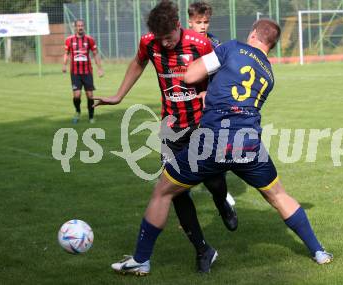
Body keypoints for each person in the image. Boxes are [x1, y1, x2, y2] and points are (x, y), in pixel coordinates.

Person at [109, 18, 333, 276]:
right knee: (278, 195)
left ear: (252, 33)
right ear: (271, 44)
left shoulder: (232, 48)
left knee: (163, 191)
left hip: (214, 140)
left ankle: (141, 260)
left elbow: (191, 75)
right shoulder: (269, 74)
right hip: (249, 143)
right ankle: (318, 251)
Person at [93, 0, 237, 273]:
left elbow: (222, 73)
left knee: (214, 181)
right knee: (173, 192)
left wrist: (211, 93)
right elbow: (137, 63)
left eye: (169, 38)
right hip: (171, 128)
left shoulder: (200, 43)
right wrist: (118, 96)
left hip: (201, 124)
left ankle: (222, 203)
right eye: (161, 40)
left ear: (178, 26)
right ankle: (203, 250)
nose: (166, 44)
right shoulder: (149, 42)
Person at [188, 1, 236, 206]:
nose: (203, 26)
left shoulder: (215, 43)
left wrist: (211, 91)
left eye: (206, 22)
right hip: (186, 101)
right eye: (198, 22)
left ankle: (222, 193)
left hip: (211, 103)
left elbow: (223, 72)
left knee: (213, 146)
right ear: (190, 21)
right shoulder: (184, 43)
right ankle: (180, 183)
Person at [63, 19, 103, 124]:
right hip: (75, 73)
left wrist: (99, 68)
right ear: (75, 27)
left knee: (90, 95)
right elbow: (66, 53)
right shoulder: (69, 40)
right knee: (76, 95)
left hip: (87, 72)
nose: (80, 27)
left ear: (84, 26)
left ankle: (91, 116)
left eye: (82, 25)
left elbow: (95, 54)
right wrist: (64, 65)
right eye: (78, 26)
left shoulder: (89, 40)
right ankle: (77, 111)